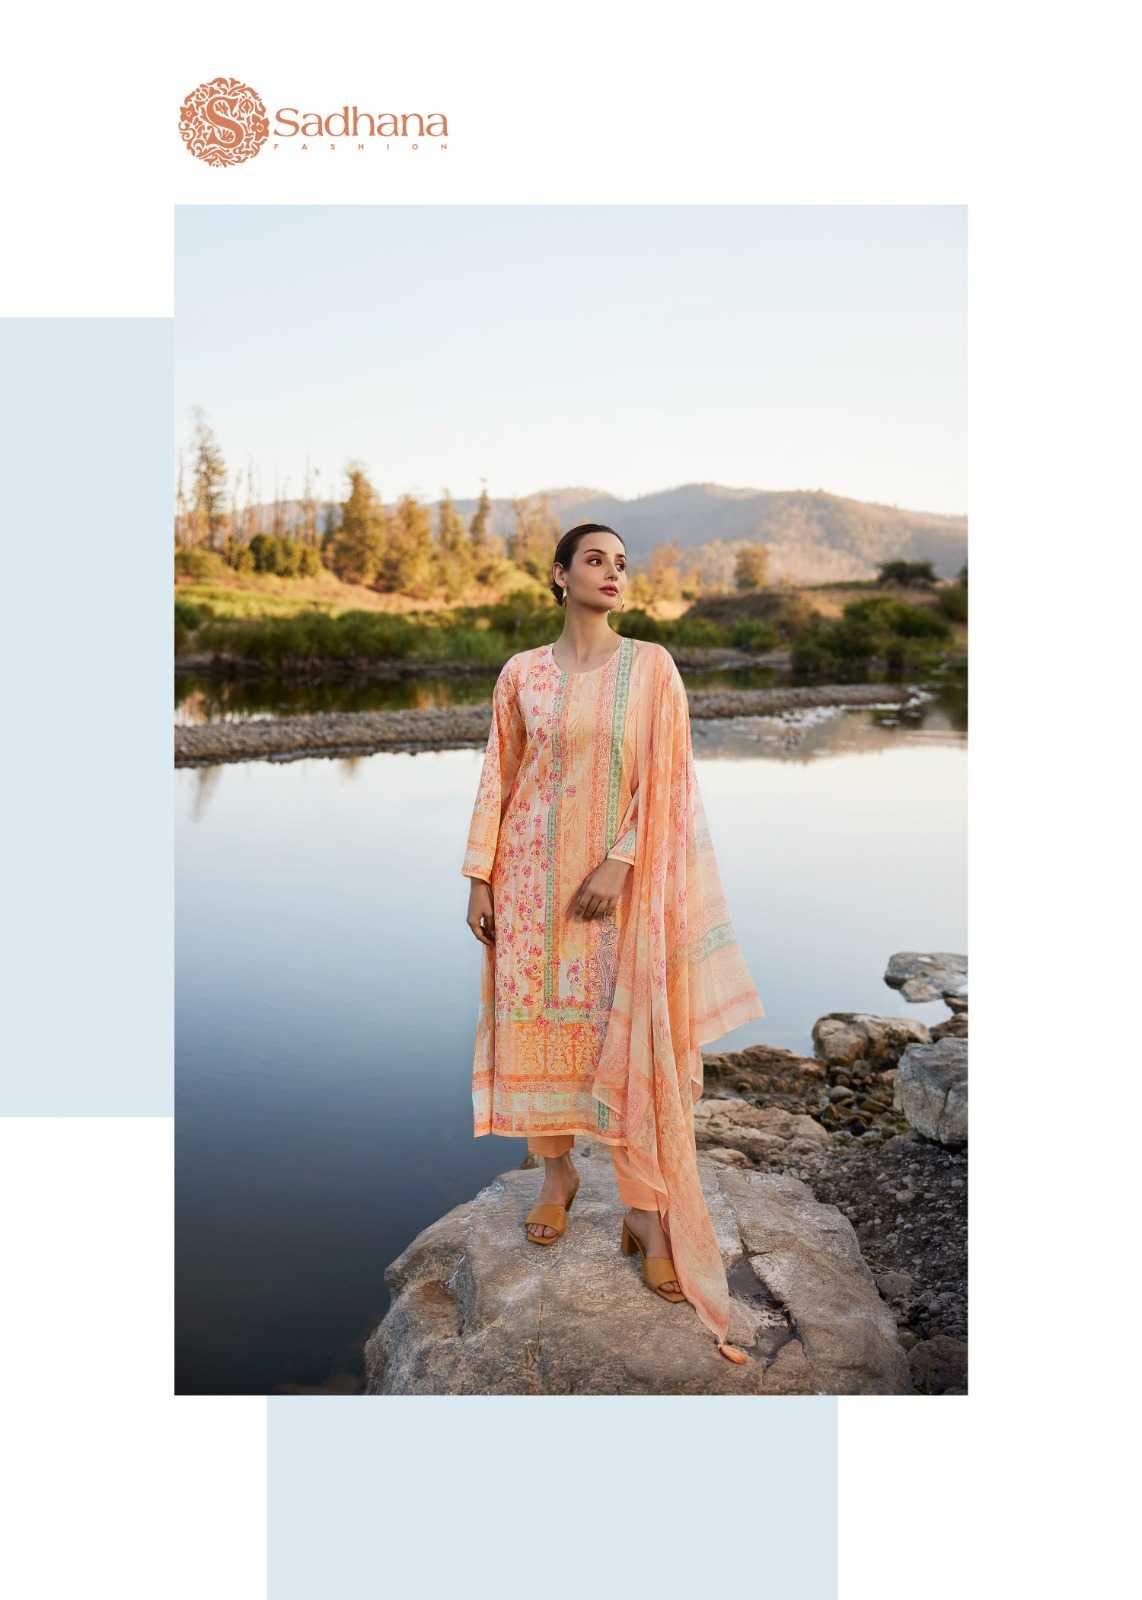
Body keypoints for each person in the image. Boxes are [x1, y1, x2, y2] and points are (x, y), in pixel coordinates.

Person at [461, 523, 765, 1363]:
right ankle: (556, 1174)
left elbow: (668, 781)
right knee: (537, 1026)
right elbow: (498, 774)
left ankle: (643, 1213)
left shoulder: (652, 668)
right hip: (529, 885)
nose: (612, 573)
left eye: (621, 564)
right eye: (595, 560)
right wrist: (481, 876)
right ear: (560, 575)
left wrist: (621, 863)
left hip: (615, 893)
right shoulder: (521, 673)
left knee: (630, 1042)